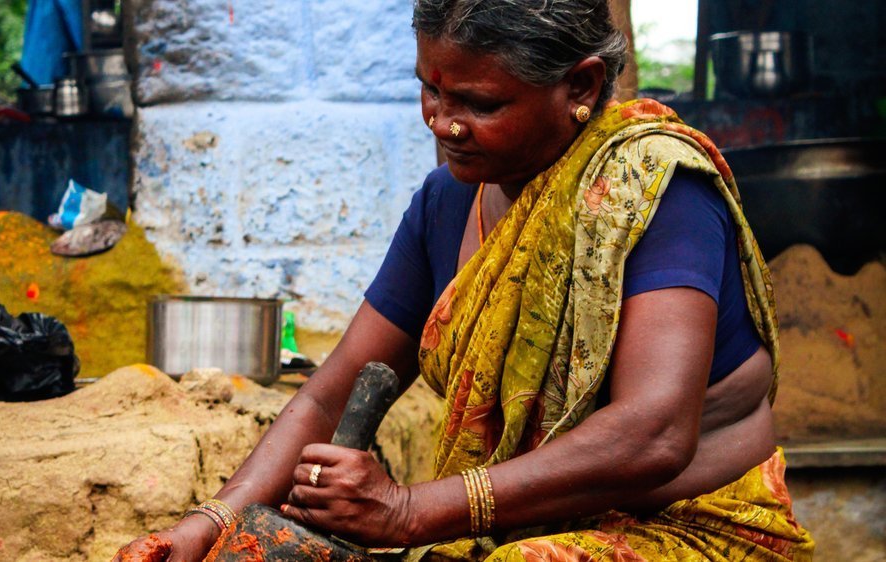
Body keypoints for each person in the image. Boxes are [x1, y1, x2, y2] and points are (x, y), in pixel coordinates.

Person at [114, 1, 815, 560]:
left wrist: (414, 511)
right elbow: (330, 395)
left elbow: (653, 434)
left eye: (479, 103)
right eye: (429, 90)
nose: (442, 123)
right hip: (517, 528)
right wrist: (209, 523)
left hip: (694, 531)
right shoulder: (448, 201)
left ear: (581, 86)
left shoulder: (654, 193)